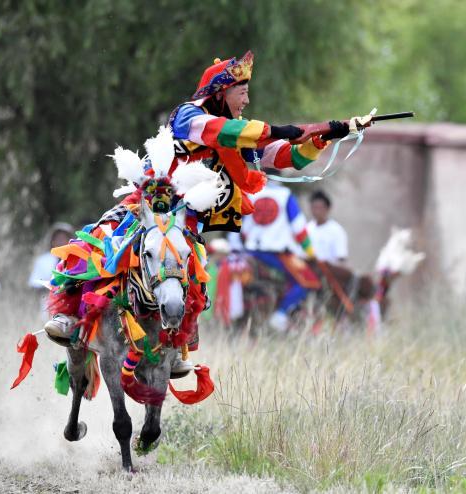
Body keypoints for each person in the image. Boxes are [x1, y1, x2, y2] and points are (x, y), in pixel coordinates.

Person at [43, 51, 348, 374]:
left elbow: (284, 158)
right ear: (221, 92)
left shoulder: (239, 130)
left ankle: (177, 342)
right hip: (148, 204)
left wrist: (320, 138)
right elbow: (219, 131)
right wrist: (279, 128)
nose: (246, 100)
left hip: (185, 218)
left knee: (195, 271)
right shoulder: (189, 115)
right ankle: (71, 318)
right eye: (242, 92)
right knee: (102, 237)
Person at [242, 170, 320, 332]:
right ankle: (281, 314)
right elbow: (299, 228)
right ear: (279, 173)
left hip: (250, 252)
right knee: (307, 280)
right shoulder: (285, 195)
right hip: (276, 253)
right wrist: (310, 252)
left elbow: (242, 229)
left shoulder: (250, 194)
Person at [307, 190, 348, 265]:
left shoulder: (336, 230)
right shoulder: (307, 228)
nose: (317, 212)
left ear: (328, 209)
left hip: (327, 273)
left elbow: (341, 258)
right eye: (314, 208)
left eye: (320, 208)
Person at [28, 222, 73, 290]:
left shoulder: (76, 260)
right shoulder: (42, 260)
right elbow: (34, 283)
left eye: (64, 238)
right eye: (58, 238)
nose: (61, 241)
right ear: (52, 241)